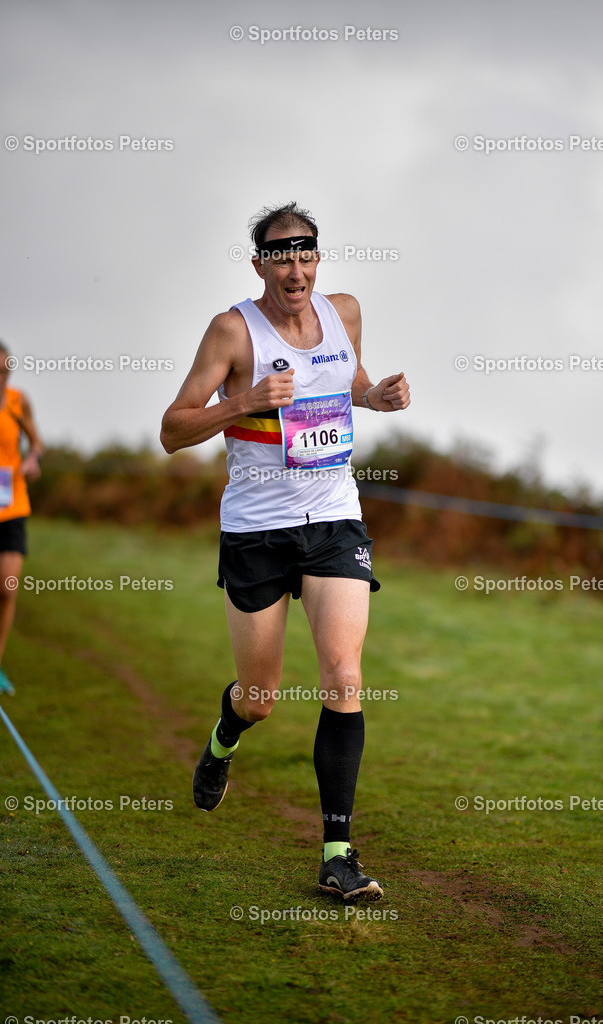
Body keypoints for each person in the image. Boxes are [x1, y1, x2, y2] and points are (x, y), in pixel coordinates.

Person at [160, 202, 410, 899]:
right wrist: (240, 403)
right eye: (280, 257)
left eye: (305, 255)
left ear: (317, 259)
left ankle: (337, 853)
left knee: (343, 676)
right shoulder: (231, 330)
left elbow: (348, 384)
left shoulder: (344, 312)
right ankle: (223, 738)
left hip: (333, 519)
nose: (295, 270)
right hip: (257, 531)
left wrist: (375, 398)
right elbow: (172, 431)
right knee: (262, 697)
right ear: (259, 264)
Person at [0, 340, 43, 696]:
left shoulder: (19, 402)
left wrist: (32, 460)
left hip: (11, 508)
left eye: (3, 372)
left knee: (7, 587)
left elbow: (36, 442)